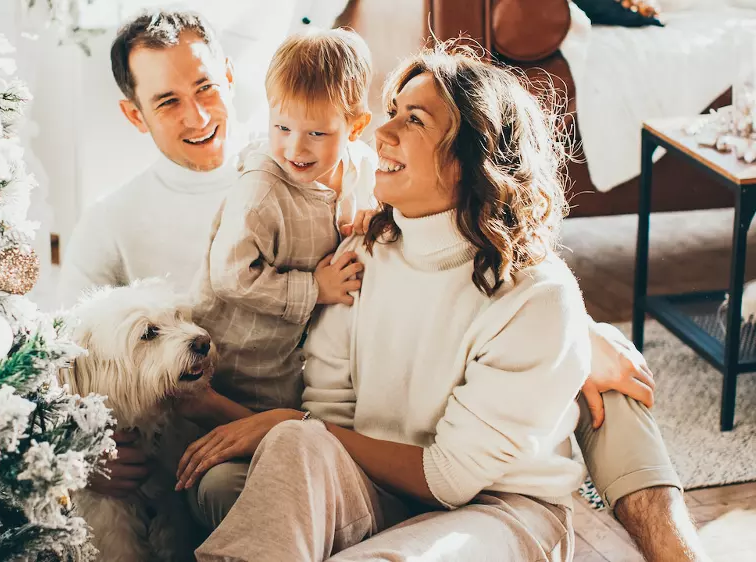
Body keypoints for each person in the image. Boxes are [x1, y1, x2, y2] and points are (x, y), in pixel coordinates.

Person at [61, 10, 707, 562]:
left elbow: (493, 298)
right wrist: (84, 450)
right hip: (330, 457)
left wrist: (581, 338)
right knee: (287, 445)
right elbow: (62, 371)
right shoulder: (119, 224)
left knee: (613, 396)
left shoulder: (333, 172)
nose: (378, 132)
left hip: (482, 495)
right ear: (134, 114)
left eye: (409, 121)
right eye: (168, 100)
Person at [190, 28, 376, 417]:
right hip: (243, 361)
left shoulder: (364, 167)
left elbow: (383, 205)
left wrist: (378, 215)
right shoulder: (261, 189)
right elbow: (230, 276)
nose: (295, 148)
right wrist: (313, 289)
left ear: (355, 128)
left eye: (317, 133)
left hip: (306, 360)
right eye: (283, 127)